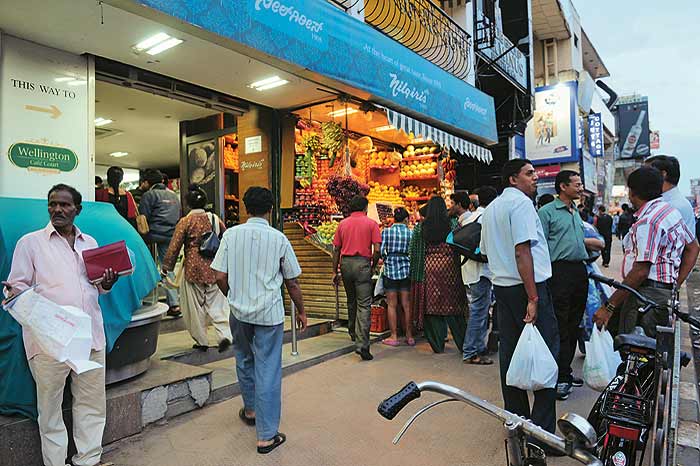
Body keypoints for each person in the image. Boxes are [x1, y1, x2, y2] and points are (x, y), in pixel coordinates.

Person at [3, 184, 118, 466]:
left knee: (91, 404)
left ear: (77, 210)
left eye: (65, 205)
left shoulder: (89, 243)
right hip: (48, 342)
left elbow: (97, 288)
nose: (57, 209)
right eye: (53, 204)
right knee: (50, 410)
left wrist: (106, 283)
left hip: (90, 338)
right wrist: (13, 293)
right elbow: (15, 287)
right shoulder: (29, 243)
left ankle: (88, 460)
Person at [211, 186, 306, 454]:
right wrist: (301, 310)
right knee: (268, 368)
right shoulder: (278, 239)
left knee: (243, 359)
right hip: (269, 313)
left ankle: (251, 409)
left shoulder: (230, 235)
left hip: (239, 312)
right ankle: (266, 436)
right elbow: (292, 282)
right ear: (271, 209)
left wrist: (233, 296)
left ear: (245, 208)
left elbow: (219, 276)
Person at [480, 159, 559, 436]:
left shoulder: (491, 210)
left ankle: (517, 421)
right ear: (513, 179)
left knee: (511, 357)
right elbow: (521, 251)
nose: (535, 178)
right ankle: (542, 431)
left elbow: (486, 251)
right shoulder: (522, 204)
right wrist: (533, 297)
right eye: (529, 174)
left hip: (503, 289)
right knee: (547, 354)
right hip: (527, 287)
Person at [593, 167, 697, 336]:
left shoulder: (649, 221)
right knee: (653, 354)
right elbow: (693, 248)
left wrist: (609, 306)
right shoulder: (670, 212)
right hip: (661, 293)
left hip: (646, 295)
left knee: (636, 353)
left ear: (632, 192)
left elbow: (641, 271)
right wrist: (675, 284)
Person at [538, 170, 594, 400]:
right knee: (559, 325)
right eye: (577, 184)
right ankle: (559, 376)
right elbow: (538, 246)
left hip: (578, 271)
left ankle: (566, 372)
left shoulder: (574, 212)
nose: (581, 188)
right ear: (563, 186)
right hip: (557, 272)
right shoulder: (547, 212)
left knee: (574, 324)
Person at [162, 185, 232, 352]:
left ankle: (202, 341)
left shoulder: (185, 221)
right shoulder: (214, 218)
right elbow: (226, 236)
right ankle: (224, 335)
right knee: (218, 304)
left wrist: (167, 267)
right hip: (214, 267)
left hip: (193, 269)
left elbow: (174, 246)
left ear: (187, 204)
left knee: (194, 307)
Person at [409, 196, 468, 353]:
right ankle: (463, 343)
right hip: (450, 268)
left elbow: (413, 250)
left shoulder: (421, 227)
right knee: (454, 304)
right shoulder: (453, 223)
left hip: (429, 268)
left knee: (432, 306)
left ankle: (437, 344)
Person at [332, 196, 382, 361]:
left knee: (351, 300)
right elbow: (377, 249)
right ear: (365, 208)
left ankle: (352, 332)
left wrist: (335, 271)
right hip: (362, 264)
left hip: (346, 264)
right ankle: (362, 344)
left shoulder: (343, 224)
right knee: (364, 304)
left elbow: (336, 249)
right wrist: (373, 264)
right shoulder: (371, 224)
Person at [458, 187, 498, 365]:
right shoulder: (488, 217)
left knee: (479, 311)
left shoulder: (472, 216)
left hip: (469, 269)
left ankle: (479, 348)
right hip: (481, 271)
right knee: (478, 312)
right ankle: (470, 351)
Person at [139, 168, 182, 317]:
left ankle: (151, 302)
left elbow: (143, 218)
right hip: (171, 235)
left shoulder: (148, 195)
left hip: (152, 236)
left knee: (149, 267)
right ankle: (175, 304)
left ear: (147, 182)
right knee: (167, 268)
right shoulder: (174, 195)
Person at [379, 207, 414, 346]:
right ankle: (409, 336)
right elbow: (412, 252)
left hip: (390, 271)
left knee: (392, 305)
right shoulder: (410, 233)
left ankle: (394, 336)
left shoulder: (386, 232)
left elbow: (382, 251)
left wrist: (389, 258)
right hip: (406, 270)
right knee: (406, 304)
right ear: (406, 219)